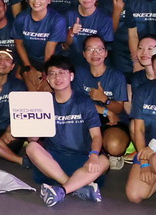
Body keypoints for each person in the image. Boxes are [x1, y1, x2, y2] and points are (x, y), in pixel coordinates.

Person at [28, 59, 108, 206]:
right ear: (47, 79)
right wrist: (31, 128)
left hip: (82, 160)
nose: (57, 77)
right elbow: (33, 139)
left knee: (104, 161)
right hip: (53, 163)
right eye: (52, 74)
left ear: (71, 76)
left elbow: (96, 135)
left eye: (61, 73)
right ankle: (77, 187)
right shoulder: (43, 102)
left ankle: (62, 190)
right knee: (31, 147)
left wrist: (93, 155)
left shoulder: (84, 101)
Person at [73, 34, 129, 162]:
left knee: (115, 146)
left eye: (99, 49)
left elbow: (118, 109)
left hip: (112, 120)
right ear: (84, 54)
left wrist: (104, 99)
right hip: (87, 118)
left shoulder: (116, 76)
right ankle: (99, 152)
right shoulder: (79, 73)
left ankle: (110, 152)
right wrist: (105, 111)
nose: (95, 53)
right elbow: (77, 102)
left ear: (106, 53)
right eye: (90, 49)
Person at [13, 0, 69, 86]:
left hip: (52, 60)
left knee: (45, 85)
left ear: (49, 0)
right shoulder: (21, 18)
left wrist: (46, 71)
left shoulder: (57, 20)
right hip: (29, 59)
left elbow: (50, 48)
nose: (36, 0)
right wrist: (28, 68)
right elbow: (19, 44)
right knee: (23, 82)